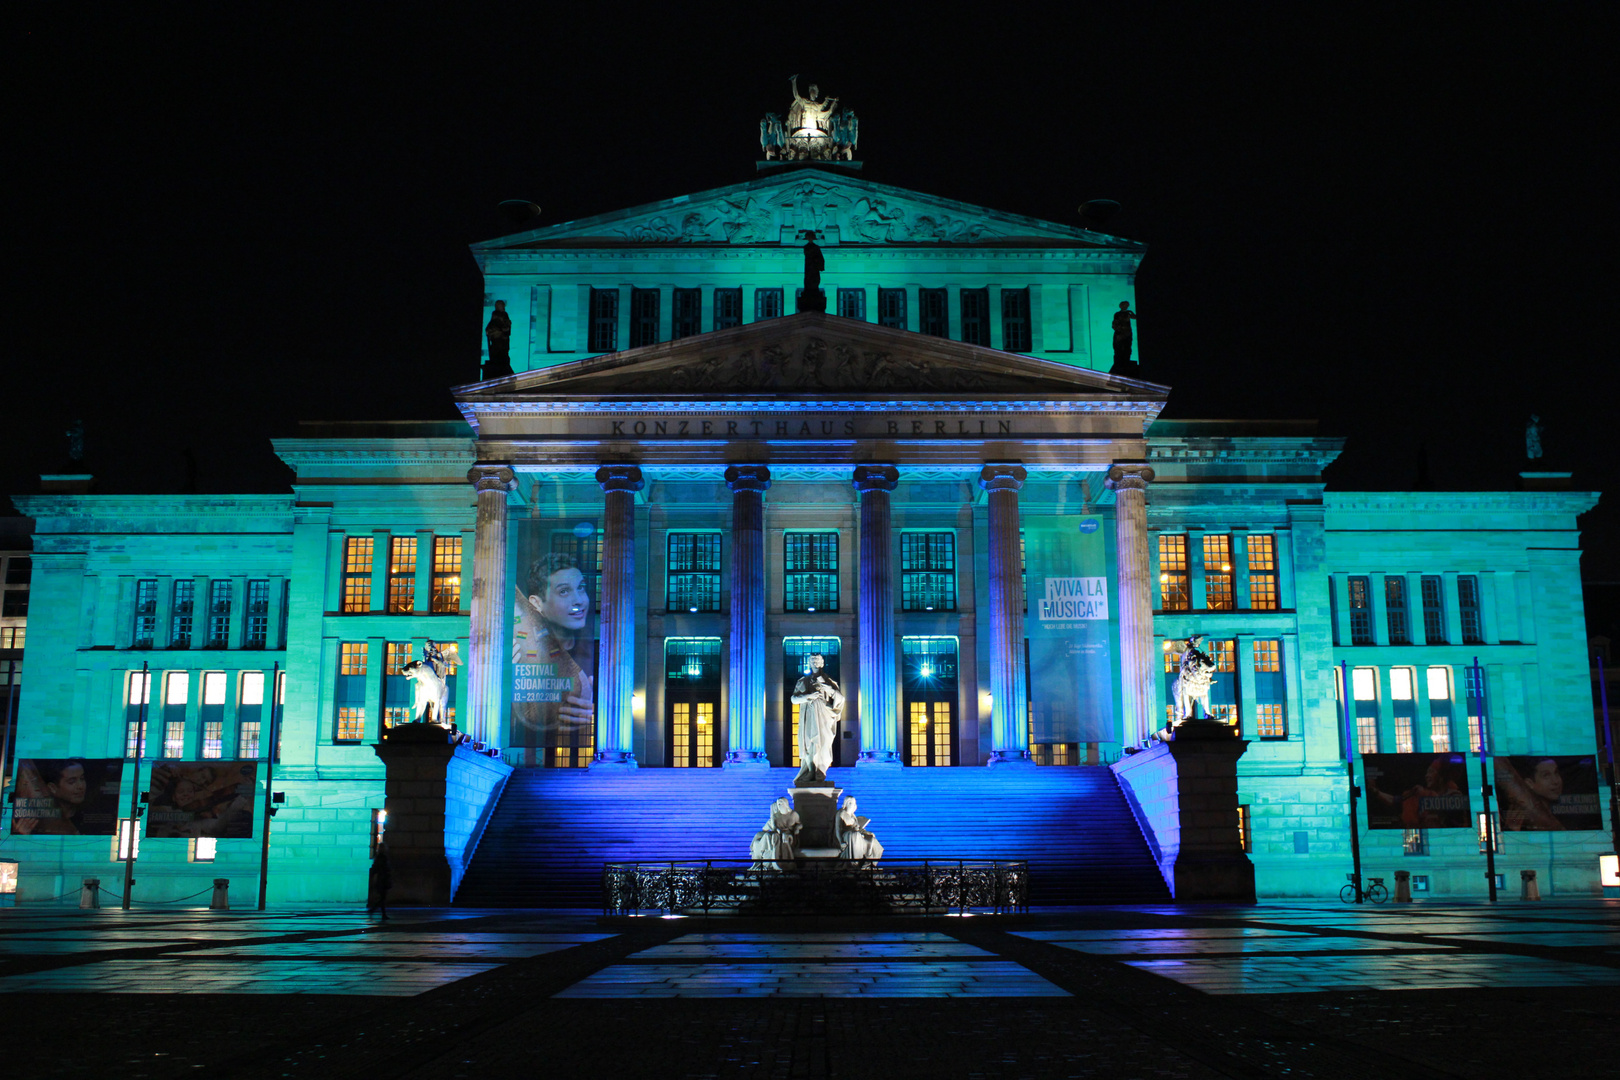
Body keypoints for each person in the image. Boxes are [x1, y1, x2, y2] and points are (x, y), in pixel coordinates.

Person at [512, 552, 595, 743]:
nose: (579, 601)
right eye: (564, 591)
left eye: (581, 588)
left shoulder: (592, 659)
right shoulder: (517, 652)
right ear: (536, 604)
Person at [792, 653, 844, 785]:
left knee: (823, 744)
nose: (815, 664)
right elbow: (794, 699)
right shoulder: (802, 681)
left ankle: (820, 771)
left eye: (817, 661)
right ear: (809, 664)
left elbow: (840, 698)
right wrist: (807, 696)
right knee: (810, 743)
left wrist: (825, 686)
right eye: (812, 661)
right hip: (809, 715)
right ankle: (810, 770)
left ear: (822, 664)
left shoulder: (829, 682)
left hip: (824, 716)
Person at [13, 758, 89, 835]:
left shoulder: (89, 819)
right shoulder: (34, 821)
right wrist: (20, 834)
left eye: (82, 779)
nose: (80, 786)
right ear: (53, 788)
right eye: (72, 782)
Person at [1497, 757, 1564, 830]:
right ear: (1530, 783)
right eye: (1546, 776)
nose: (1555, 781)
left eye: (1556, 773)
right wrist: (1512, 829)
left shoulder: (1565, 816)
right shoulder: (1520, 815)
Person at [750, 797, 801, 870]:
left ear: (785, 804)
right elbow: (771, 828)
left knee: (771, 836)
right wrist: (777, 829)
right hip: (777, 833)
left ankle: (770, 856)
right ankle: (765, 854)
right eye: (778, 804)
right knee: (764, 836)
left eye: (781, 804)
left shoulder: (793, 814)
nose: (779, 805)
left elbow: (799, 824)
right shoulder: (775, 816)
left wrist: (796, 829)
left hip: (787, 835)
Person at [837, 796, 883, 861]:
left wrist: (867, 832)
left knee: (871, 839)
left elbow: (858, 827)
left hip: (857, 835)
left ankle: (869, 862)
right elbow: (837, 829)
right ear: (848, 803)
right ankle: (854, 863)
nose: (854, 805)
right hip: (848, 836)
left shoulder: (853, 816)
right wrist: (841, 842)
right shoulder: (840, 814)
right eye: (852, 803)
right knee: (855, 835)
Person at [484, 300, 513, 378]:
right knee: (498, 350)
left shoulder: (504, 314)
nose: (503, 307)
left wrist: (506, 327)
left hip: (503, 338)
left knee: (503, 351)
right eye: (502, 305)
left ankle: (501, 361)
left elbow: (506, 326)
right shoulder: (495, 315)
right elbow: (491, 325)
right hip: (497, 338)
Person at [367, 841, 392, 920]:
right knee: (382, 898)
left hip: (381, 879)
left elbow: (375, 868)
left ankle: (376, 911)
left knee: (382, 897)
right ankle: (379, 912)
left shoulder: (378, 857)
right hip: (383, 879)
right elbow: (385, 868)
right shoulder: (383, 857)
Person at [1112, 301, 1137, 371]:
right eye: (1124, 305)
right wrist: (1119, 330)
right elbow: (1115, 324)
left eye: (1126, 305)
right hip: (1120, 334)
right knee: (1119, 349)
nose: (1125, 307)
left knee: (1127, 348)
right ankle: (1120, 363)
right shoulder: (1117, 314)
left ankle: (1126, 361)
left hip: (1127, 334)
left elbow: (1135, 317)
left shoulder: (1128, 313)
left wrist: (1131, 312)